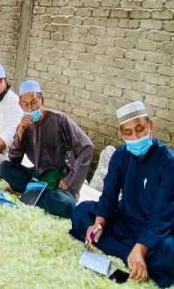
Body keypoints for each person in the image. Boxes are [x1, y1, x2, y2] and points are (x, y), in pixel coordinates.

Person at [70, 101, 174, 288]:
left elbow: (163, 214)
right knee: (81, 212)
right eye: (128, 132)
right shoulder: (120, 155)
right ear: (121, 134)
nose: (135, 136)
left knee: (169, 251)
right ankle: (133, 256)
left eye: (140, 129)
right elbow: (108, 197)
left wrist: (142, 247)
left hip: (156, 230)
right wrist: (99, 224)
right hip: (124, 221)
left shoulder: (168, 161)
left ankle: (135, 254)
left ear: (150, 126)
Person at [0, 79, 94, 218]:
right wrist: (20, 132)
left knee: (67, 205)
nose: (30, 108)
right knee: (4, 168)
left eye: (34, 102)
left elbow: (87, 147)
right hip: (38, 176)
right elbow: (14, 160)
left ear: (42, 101)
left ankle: (30, 195)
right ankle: (37, 195)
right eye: (26, 104)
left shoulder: (60, 119)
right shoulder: (24, 124)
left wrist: (70, 182)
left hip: (61, 179)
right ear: (20, 105)